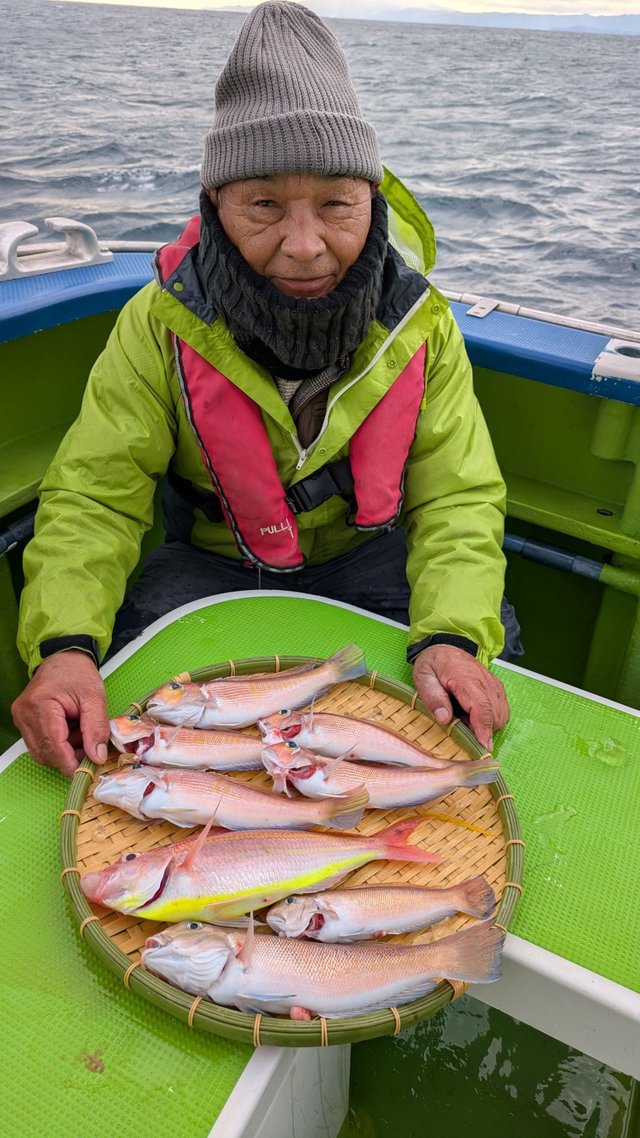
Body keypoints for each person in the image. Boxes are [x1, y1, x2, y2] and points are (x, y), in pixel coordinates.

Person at [12, 1, 514, 778]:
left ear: (373, 203)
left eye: (338, 204)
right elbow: (96, 496)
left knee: (479, 667)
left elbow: (457, 497)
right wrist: (64, 646)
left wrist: (451, 634)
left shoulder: (423, 324)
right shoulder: (159, 323)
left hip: (369, 559)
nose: (306, 245)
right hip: (210, 564)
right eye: (264, 204)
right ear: (216, 205)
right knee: (129, 701)